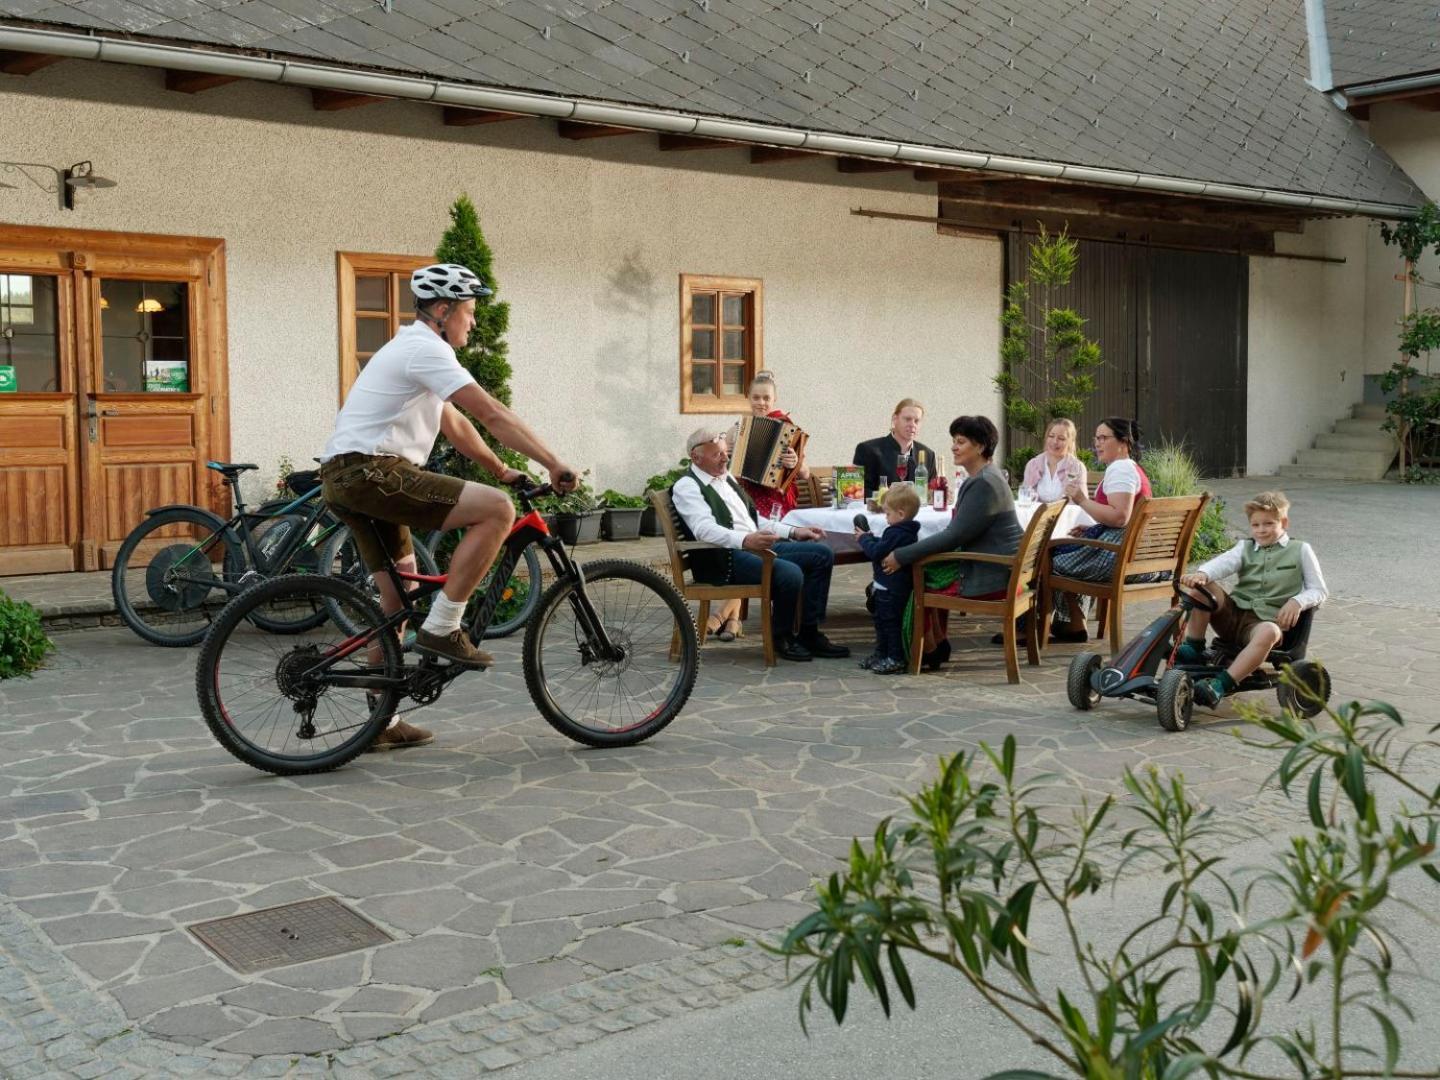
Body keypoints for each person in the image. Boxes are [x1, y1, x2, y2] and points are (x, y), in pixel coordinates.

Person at [320, 263, 577, 750]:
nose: (473, 322)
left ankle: (383, 722)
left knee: (393, 604)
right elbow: (491, 412)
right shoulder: (425, 348)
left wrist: (501, 469)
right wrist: (553, 461)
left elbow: (455, 422)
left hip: (350, 476)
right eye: (469, 311)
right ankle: (443, 626)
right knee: (498, 511)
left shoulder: (412, 349)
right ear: (442, 311)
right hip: (374, 472)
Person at [671, 427, 850, 663]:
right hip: (726, 558)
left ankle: (809, 633)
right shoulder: (688, 486)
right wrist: (745, 540)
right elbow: (704, 529)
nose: (726, 458)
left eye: (726, 452)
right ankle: (781, 636)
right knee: (790, 573)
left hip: (753, 546)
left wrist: (795, 532)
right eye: (718, 455)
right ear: (696, 457)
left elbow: (754, 520)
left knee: (821, 554)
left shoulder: (726, 478)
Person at [882, 415, 1022, 670]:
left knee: (915, 571)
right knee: (927, 565)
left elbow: (953, 536)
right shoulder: (988, 476)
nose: (954, 447)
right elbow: (959, 533)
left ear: (979, 447)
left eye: (961, 442)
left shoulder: (984, 484)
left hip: (992, 574)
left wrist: (901, 555)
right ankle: (934, 643)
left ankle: (920, 648)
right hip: (1004, 567)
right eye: (954, 442)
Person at [1177, 491, 1328, 707]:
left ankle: (1220, 685)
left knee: (1271, 631)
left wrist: (1297, 601)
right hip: (1232, 617)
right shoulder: (1245, 547)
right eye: (1255, 525)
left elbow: (1319, 590)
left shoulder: (1300, 550)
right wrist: (1202, 574)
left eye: (1268, 524)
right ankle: (1194, 649)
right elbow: (1224, 563)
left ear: (1284, 522)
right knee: (1202, 587)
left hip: (1261, 625)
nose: (1261, 530)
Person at [710, 370, 810, 642]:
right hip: (746, 497)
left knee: (752, 551)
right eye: (756, 398)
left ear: (774, 399)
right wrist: (726, 448)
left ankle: (722, 616)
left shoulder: (788, 427)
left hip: (775, 502)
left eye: (766, 398)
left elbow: (805, 474)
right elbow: (721, 459)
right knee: (747, 549)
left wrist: (794, 463)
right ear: (749, 399)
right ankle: (732, 620)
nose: (761, 403)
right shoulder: (739, 427)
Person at [1048, 417, 1156, 643]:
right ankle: (1072, 622)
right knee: (1067, 549)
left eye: (1104, 438)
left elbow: (1119, 517)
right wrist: (1092, 528)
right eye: (1096, 438)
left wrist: (1080, 499)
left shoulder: (1121, 469)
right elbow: (1123, 517)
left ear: (1123, 442)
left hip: (1119, 556)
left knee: (1046, 559)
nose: (1097, 443)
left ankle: (1064, 623)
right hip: (1133, 552)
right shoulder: (1129, 468)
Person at [856, 485, 922, 674]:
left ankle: (895, 657)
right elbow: (884, 546)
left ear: (900, 514)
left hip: (891, 589)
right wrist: (872, 538)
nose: (886, 518)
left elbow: (876, 552)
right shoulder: (904, 532)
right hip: (886, 587)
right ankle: (881, 653)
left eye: (887, 514)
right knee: (881, 622)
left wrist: (864, 539)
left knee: (890, 624)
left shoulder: (897, 532)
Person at [852, 398, 937, 496]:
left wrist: (941, 494)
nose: (912, 425)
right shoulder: (867, 450)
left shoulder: (928, 454)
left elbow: (932, 490)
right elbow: (858, 492)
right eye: (907, 419)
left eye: (916, 421)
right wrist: (886, 495)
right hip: (880, 510)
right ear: (895, 419)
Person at [1020, 418, 1087, 503]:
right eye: (1051, 436)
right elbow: (1025, 497)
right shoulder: (1033, 465)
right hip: (1037, 514)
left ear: (1071, 442)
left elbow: (1081, 502)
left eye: (1061, 438)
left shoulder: (1077, 468)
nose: (1055, 441)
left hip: (1066, 514)